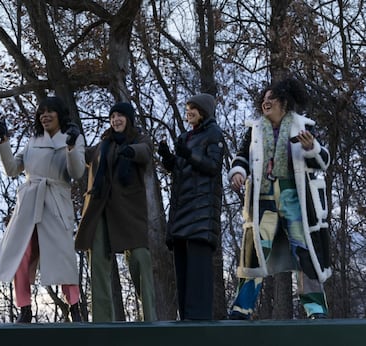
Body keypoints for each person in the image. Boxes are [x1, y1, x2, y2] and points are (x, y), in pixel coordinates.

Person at [227, 77, 331, 320]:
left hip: (294, 199)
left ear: (284, 102)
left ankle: (316, 309)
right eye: (264, 99)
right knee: (256, 252)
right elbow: (241, 157)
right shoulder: (254, 130)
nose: (266, 103)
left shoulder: (303, 126)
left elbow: (322, 162)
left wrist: (311, 148)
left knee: (305, 251)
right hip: (263, 200)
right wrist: (239, 173)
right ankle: (241, 310)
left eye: (271, 99)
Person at [0, 96, 85, 323]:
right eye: (42, 112)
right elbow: (12, 169)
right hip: (29, 203)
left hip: (56, 202)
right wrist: (3, 141)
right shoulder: (33, 140)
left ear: (60, 114)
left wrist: (71, 146)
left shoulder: (72, 138)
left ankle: (75, 307)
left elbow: (77, 172)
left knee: (62, 256)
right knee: (20, 255)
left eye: (50, 111)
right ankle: (25, 309)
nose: (45, 116)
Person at [75, 101, 157, 322]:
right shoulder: (103, 145)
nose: (116, 120)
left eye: (120, 116)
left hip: (130, 211)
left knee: (141, 258)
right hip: (100, 209)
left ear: (128, 119)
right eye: (113, 116)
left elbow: (146, 151)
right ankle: (102, 322)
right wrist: (71, 141)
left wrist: (130, 151)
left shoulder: (140, 140)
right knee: (98, 262)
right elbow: (82, 156)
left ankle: (150, 319)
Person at [157, 93, 226, 321]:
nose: (189, 112)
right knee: (183, 272)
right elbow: (180, 168)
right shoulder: (184, 137)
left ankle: (199, 321)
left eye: (193, 108)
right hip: (181, 211)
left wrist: (188, 154)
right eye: (187, 108)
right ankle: (186, 319)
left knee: (199, 273)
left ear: (204, 111)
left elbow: (213, 166)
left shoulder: (213, 133)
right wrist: (168, 157)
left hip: (201, 212)